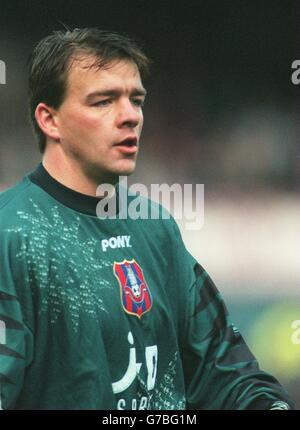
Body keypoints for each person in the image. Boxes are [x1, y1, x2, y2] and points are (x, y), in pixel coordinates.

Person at [0, 28, 294, 410]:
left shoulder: (155, 227)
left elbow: (222, 369)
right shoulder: (13, 234)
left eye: (136, 100)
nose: (129, 117)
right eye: (103, 101)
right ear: (49, 120)